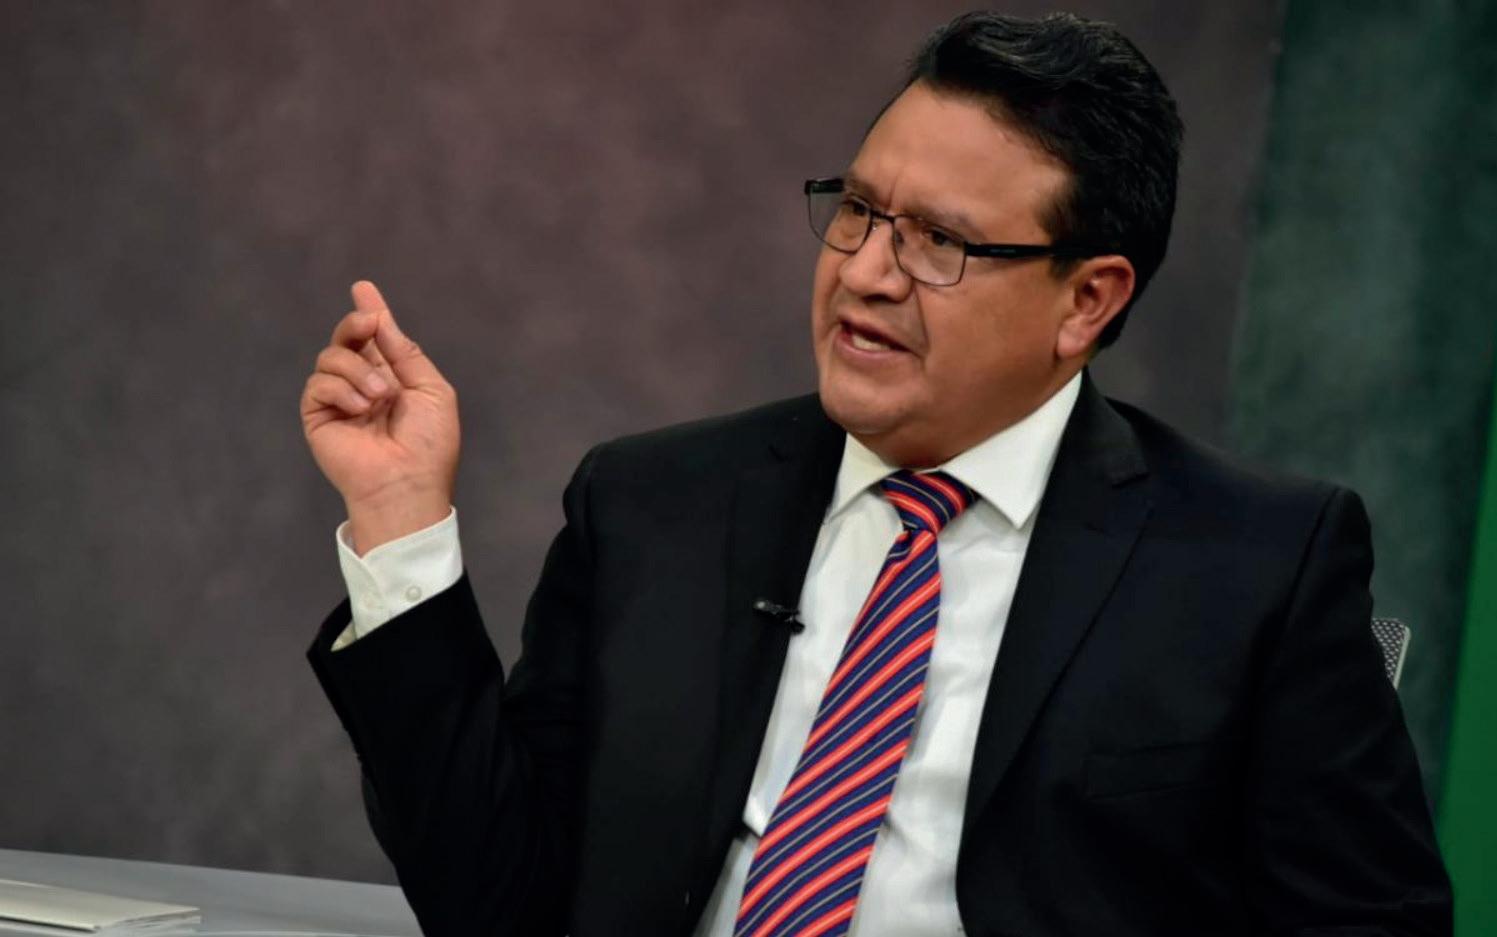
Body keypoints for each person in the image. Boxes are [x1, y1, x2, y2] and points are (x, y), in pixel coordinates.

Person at [299, 11, 1451, 937]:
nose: (864, 273)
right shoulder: (654, 504)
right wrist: (401, 524)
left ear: (1087, 301)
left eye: (938, 241)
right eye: (857, 210)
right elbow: (495, 901)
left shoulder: (1253, 567)